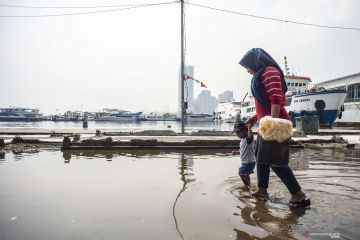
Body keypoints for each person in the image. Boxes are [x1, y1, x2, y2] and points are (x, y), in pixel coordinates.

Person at [239, 48, 310, 208]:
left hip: (275, 125)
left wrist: (273, 124)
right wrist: (254, 118)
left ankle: (298, 194)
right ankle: (262, 190)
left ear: (254, 61)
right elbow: (264, 104)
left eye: (247, 66)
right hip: (267, 124)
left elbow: (276, 98)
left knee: (276, 161)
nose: (247, 70)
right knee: (262, 158)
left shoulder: (269, 72)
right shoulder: (260, 74)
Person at [232, 120, 256, 188]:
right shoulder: (242, 140)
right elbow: (243, 150)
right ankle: (249, 183)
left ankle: (247, 187)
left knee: (241, 173)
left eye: (238, 132)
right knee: (245, 175)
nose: (237, 134)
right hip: (245, 162)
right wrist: (237, 152)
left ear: (245, 131)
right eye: (236, 132)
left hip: (249, 162)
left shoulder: (248, 140)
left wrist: (249, 127)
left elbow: (250, 137)